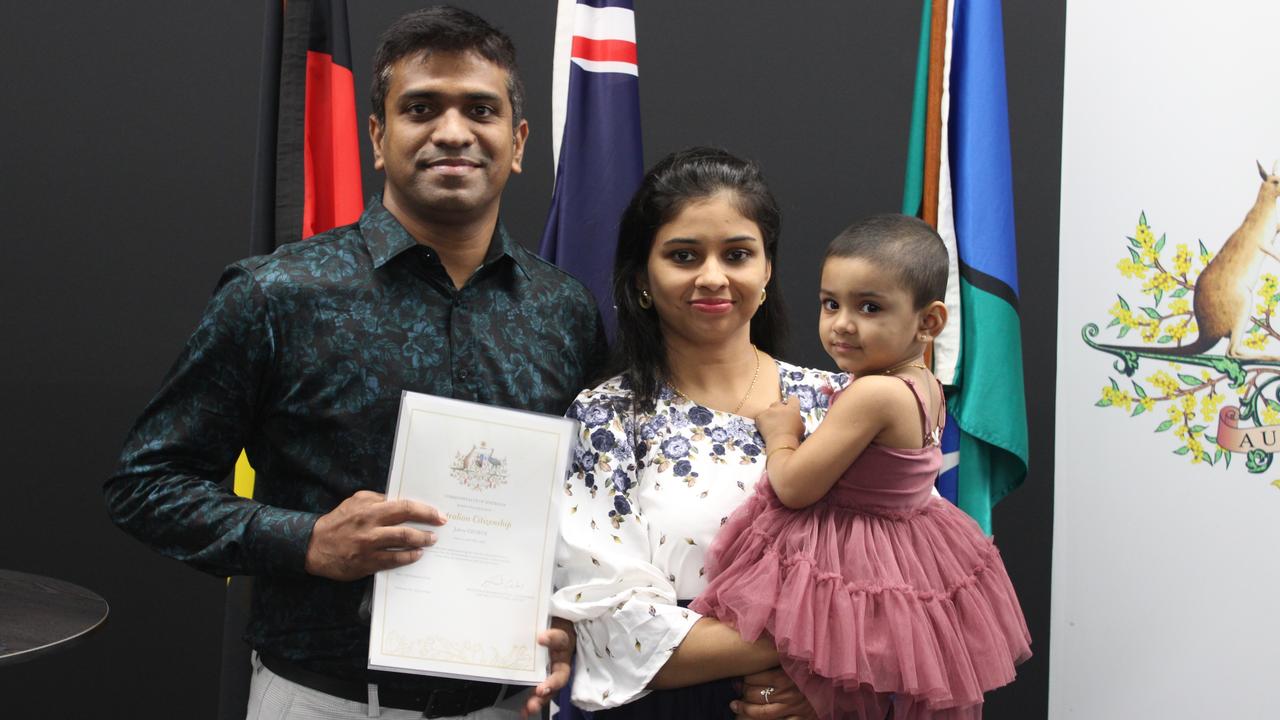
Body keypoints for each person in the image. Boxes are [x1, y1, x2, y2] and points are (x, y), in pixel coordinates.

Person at [104, 7, 605, 719]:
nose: (453, 132)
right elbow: (145, 485)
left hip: (511, 703)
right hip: (325, 701)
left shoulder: (567, 312)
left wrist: (573, 619)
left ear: (518, 142)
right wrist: (306, 540)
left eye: (481, 110)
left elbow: (590, 510)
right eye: (421, 108)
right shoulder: (277, 294)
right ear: (379, 136)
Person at [691, 215, 1032, 719]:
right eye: (831, 304)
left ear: (930, 321)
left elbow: (794, 487)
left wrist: (783, 436)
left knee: (827, 656)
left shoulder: (872, 392)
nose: (842, 323)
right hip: (915, 544)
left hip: (855, 548)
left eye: (869, 307)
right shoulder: (926, 386)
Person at [550, 147, 842, 720]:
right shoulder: (607, 417)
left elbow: (915, 584)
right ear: (641, 278)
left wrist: (838, 687)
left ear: (767, 269)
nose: (713, 277)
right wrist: (825, 644)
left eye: (737, 254)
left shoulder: (841, 405)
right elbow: (611, 627)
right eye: (683, 255)